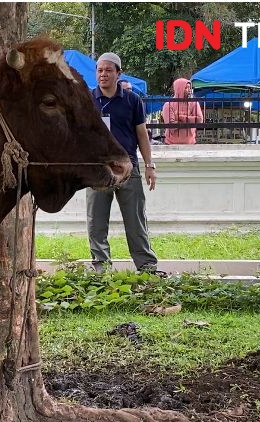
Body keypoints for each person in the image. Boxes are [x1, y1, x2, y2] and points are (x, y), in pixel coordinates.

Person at [86, 52, 160, 274]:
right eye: (100, 70)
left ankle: (146, 266)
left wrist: (149, 165)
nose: (103, 74)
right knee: (96, 222)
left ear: (119, 73)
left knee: (136, 220)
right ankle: (101, 268)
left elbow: (142, 135)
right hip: (99, 170)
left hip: (128, 167)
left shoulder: (132, 101)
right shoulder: (88, 100)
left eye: (108, 70)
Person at [161, 78, 203, 145]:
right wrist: (190, 120)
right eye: (186, 88)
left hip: (191, 143)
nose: (189, 90)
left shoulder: (194, 103)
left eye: (190, 88)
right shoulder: (168, 105)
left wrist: (180, 117)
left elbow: (199, 120)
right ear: (179, 89)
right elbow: (171, 126)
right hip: (171, 144)